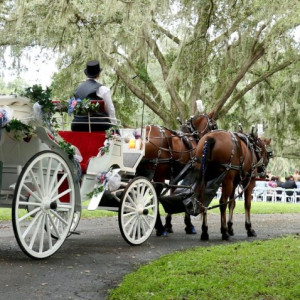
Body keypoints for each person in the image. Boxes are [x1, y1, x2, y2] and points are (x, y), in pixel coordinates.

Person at [71, 60, 117, 131]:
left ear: (87, 74)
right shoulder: (103, 89)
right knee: (115, 130)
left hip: (78, 124)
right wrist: (114, 126)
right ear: (99, 74)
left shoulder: (78, 89)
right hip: (98, 125)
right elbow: (110, 110)